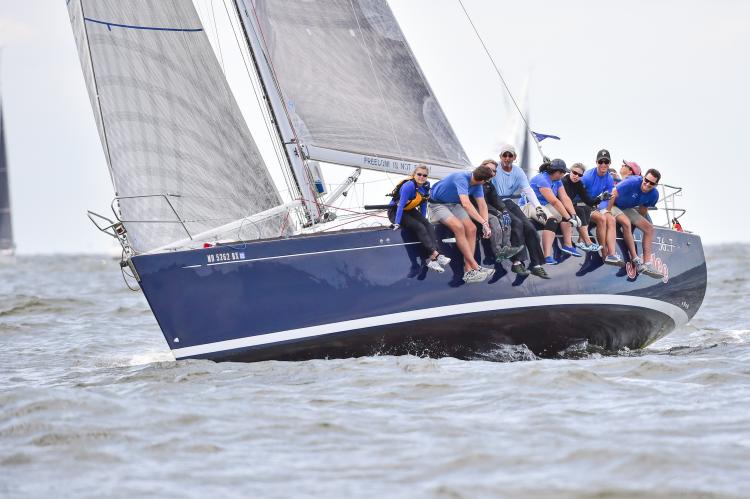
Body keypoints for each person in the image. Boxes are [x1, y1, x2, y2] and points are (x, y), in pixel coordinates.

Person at [489, 144, 549, 279]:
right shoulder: (493, 169)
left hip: (509, 202)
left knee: (530, 227)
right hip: (494, 202)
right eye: (505, 155)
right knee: (516, 223)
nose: (507, 158)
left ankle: (536, 265)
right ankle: (517, 262)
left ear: (514, 157)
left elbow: (527, 190)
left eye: (510, 155)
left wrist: (538, 207)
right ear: (500, 157)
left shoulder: (518, 171)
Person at [429, 165, 496, 283]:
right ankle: (475, 266)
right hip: (437, 204)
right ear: (483, 180)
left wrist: (485, 225)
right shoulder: (461, 178)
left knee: (472, 229)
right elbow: (466, 204)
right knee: (458, 227)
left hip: (454, 204)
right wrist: (483, 222)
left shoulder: (477, 184)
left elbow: (482, 205)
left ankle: (468, 270)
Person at [388, 165, 451, 273]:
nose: (422, 177)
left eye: (424, 175)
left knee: (428, 225)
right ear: (414, 175)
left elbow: (423, 203)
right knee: (419, 226)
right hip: (396, 212)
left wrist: (423, 219)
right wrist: (397, 223)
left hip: (410, 210)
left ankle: (433, 260)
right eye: (419, 174)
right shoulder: (409, 186)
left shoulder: (426, 186)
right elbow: (401, 205)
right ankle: (436, 254)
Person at [603, 168, 664, 278]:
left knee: (649, 228)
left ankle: (647, 264)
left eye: (651, 183)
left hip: (626, 208)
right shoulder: (632, 182)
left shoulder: (654, 195)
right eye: (646, 180)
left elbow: (643, 210)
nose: (647, 184)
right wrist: (607, 211)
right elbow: (613, 193)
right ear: (643, 178)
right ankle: (636, 259)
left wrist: (638, 223)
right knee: (626, 223)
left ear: (655, 185)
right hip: (613, 204)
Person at [521, 158, 582, 264]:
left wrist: (573, 215)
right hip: (529, 205)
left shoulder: (557, 181)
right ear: (557, 172)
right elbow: (554, 201)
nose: (564, 175)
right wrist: (569, 218)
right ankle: (547, 256)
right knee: (551, 220)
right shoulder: (542, 179)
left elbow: (565, 198)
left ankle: (568, 245)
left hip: (543, 205)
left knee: (564, 215)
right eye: (563, 172)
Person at [473, 159, 524, 263]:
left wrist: (504, 211)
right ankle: (498, 252)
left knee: (506, 220)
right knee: (495, 222)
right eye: (489, 169)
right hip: (476, 209)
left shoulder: (489, 185)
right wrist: (496, 212)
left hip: (488, 209)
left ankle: (507, 248)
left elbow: (496, 200)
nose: (492, 172)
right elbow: (478, 202)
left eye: (494, 171)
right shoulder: (477, 181)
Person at [561, 163, 605, 252]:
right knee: (579, 210)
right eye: (574, 173)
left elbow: (588, 201)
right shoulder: (563, 181)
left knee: (587, 208)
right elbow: (560, 200)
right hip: (559, 207)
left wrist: (601, 198)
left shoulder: (578, 184)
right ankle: (588, 242)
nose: (576, 176)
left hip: (568, 207)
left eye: (580, 175)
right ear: (570, 171)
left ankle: (581, 241)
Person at [581, 149, 616, 257]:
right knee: (602, 218)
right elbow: (577, 195)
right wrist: (593, 205)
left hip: (594, 205)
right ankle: (604, 254)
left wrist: (602, 208)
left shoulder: (609, 178)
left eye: (606, 162)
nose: (603, 164)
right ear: (596, 162)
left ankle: (612, 254)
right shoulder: (587, 176)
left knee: (611, 219)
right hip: (582, 204)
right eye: (601, 162)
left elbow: (607, 198)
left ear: (610, 163)